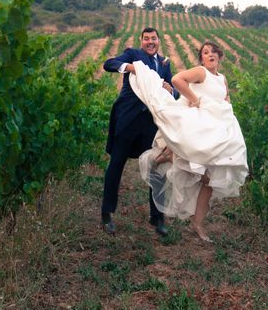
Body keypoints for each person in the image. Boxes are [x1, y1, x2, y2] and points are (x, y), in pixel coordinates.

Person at [130, 41, 248, 242]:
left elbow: (225, 98)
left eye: (213, 52)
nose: (210, 54)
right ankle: (165, 157)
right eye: (205, 52)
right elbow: (177, 79)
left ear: (219, 56)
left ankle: (197, 224)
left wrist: (225, 108)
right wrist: (195, 99)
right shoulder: (202, 72)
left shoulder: (223, 78)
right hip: (199, 125)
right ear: (202, 58)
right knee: (196, 169)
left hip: (216, 129)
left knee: (211, 180)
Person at [101, 27, 175, 236]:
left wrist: (172, 90)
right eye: (146, 39)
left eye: (154, 39)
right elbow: (109, 64)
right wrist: (129, 67)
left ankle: (157, 217)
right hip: (127, 119)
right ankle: (106, 215)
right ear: (141, 41)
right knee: (116, 165)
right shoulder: (133, 55)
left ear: (159, 41)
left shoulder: (164, 63)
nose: (150, 42)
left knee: (157, 167)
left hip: (151, 124)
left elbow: (173, 90)